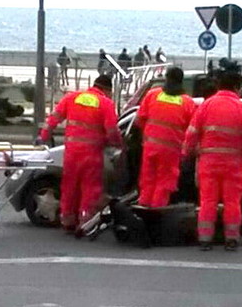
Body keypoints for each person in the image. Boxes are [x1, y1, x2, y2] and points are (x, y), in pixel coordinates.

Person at [182, 61, 242, 251]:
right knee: (232, 202)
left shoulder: (206, 106)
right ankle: (231, 239)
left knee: (207, 201)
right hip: (234, 164)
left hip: (208, 163)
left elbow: (191, 133)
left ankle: (205, 239)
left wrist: (186, 154)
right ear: (236, 88)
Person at [36, 74, 123, 234]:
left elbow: (53, 119)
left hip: (71, 151)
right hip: (92, 153)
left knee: (69, 185)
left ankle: (67, 219)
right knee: (90, 187)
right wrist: (117, 144)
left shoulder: (72, 97)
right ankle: (85, 221)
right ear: (107, 90)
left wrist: (43, 137)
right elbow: (112, 130)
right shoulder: (106, 103)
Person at [136, 66, 195, 208]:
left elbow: (139, 120)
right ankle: (156, 214)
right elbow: (192, 131)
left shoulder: (152, 95)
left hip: (150, 147)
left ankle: (143, 211)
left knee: (147, 181)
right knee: (164, 184)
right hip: (171, 151)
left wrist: (149, 134)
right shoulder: (188, 103)